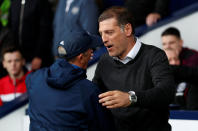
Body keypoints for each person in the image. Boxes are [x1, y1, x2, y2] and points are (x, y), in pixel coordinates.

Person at [93, 6, 175, 131]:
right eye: (101, 34)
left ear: (127, 29)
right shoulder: (105, 61)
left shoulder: (154, 55)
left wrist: (131, 98)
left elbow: (166, 92)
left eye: (109, 32)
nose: (104, 39)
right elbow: (94, 95)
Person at [26, 30, 115, 130]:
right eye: (91, 49)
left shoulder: (34, 78)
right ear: (81, 57)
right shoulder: (89, 92)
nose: (92, 52)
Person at [9, 0, 53, 71]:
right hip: (17, 57)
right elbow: (10, 27)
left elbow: (45, 30)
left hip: (35, 57)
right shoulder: (14, 2)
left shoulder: (41, 2)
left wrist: (39, 55)